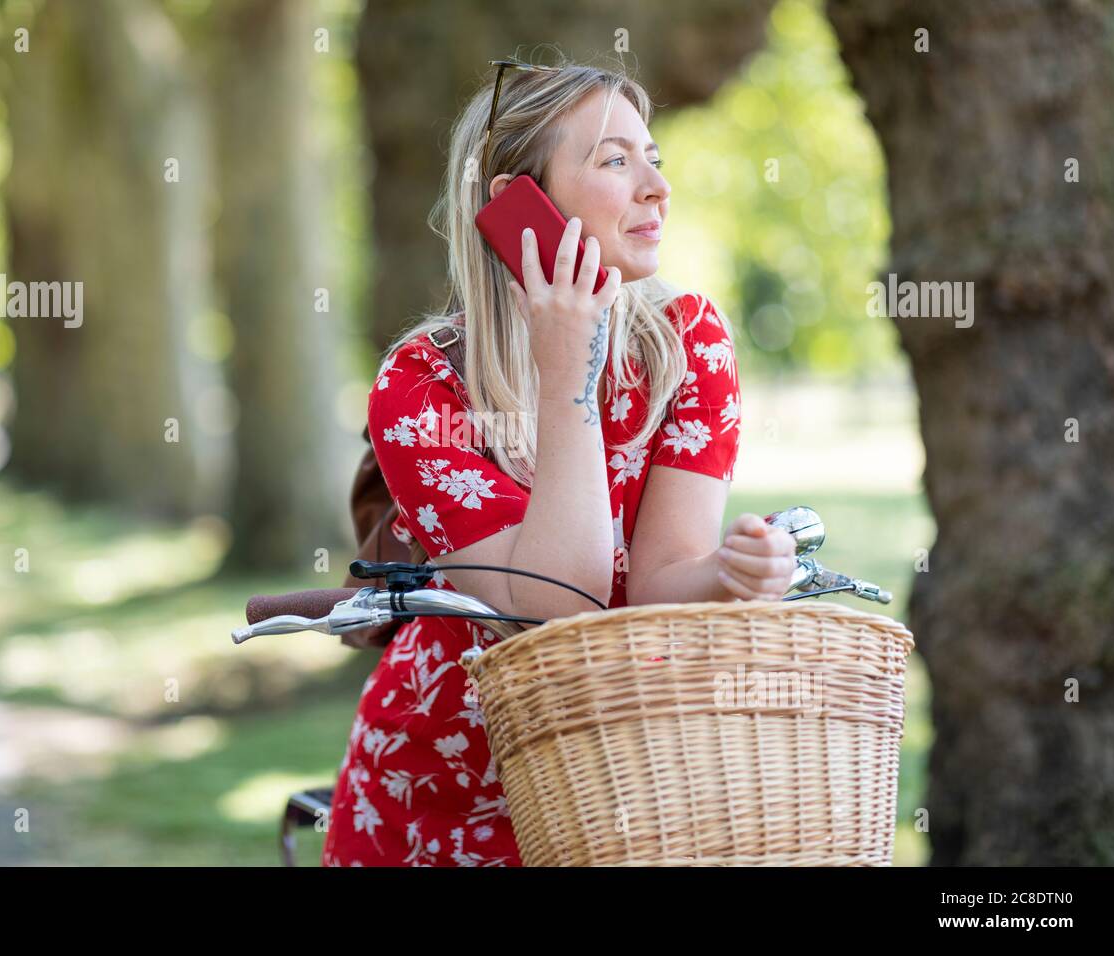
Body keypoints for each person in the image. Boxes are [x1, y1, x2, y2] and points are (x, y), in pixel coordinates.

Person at [322, 57, 796, 867]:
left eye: (654, 158)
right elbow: (556, 608)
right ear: (518, 204)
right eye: (616, 160)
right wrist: (566, 371)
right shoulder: (422, 386)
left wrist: (731, 573)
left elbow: (658, 581)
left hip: (619, 794)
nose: (656, 187)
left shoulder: (689, 345)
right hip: (439, 799)